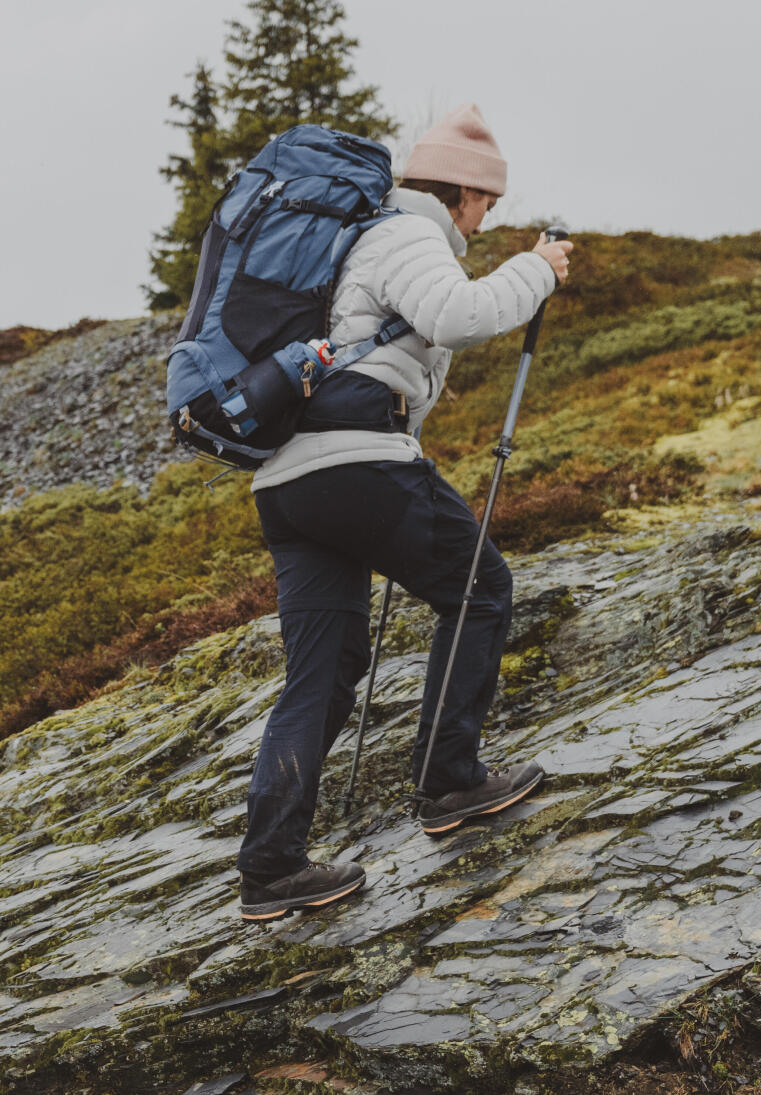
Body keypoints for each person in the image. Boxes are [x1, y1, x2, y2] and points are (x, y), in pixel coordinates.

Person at [238, 104, 574, 921]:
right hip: (355, 462)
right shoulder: (405, 233)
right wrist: (540, 270)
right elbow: (457, 315)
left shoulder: (352, 244)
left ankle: (273, 871)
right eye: (486, 203)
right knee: (481, 588)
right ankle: (450, 782)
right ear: (461, 191)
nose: (484, 219)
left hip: (287, 483)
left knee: (322, 670)